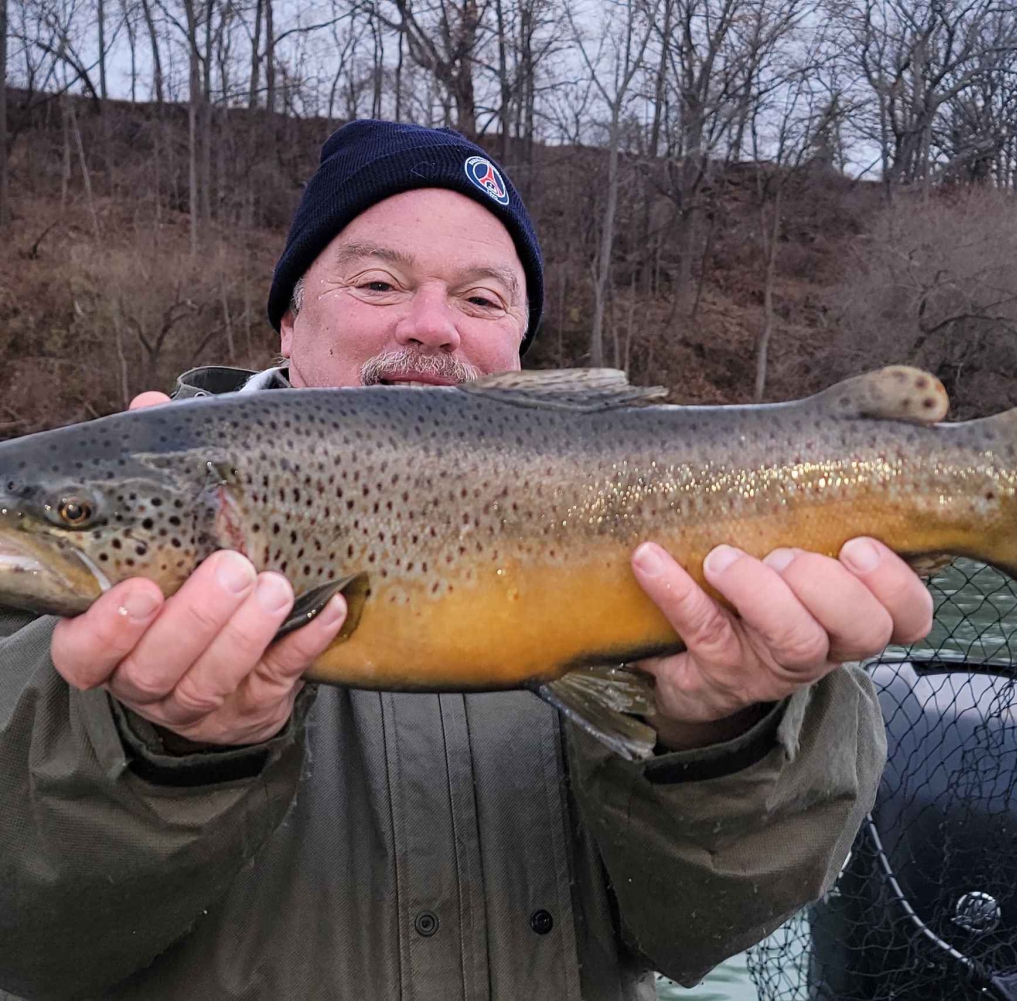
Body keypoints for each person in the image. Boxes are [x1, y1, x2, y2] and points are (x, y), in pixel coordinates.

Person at [0, 121, 932, 1000]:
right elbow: (26, 939)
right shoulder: (61, 579)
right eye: (378, 283)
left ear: (521, 343)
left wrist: (723, 731)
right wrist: (154, 749)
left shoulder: (709, 551)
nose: (432, 326)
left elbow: (702, 934)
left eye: (482, 298)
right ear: (288, 319)